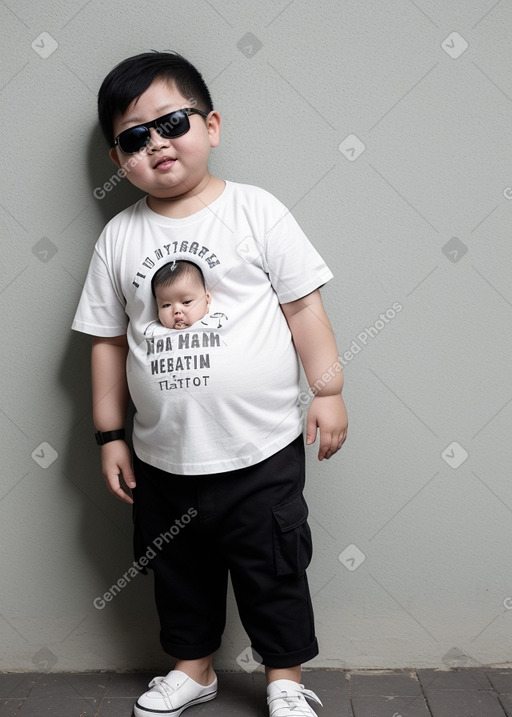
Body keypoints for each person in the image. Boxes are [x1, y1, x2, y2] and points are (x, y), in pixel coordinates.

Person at [72, 51, 348, 717]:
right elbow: (108, 343)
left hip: (262, 448)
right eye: (134, 137)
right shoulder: (120, 237)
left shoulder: (256, 211)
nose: (157, 143)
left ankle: (284, 677)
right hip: (164, 455)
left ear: (212, 125)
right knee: (179, 572)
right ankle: (192, 668)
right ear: (119, 161)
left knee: (273, 567)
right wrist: (110, 434)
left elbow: (304, 308)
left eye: (171, 122)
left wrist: (330, 389)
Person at [152, 260, 211, 330]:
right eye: (166, 305)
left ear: (206, 299)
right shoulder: (154, 330)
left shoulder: (216, 321)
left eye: (186, 302)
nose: (176, 311)